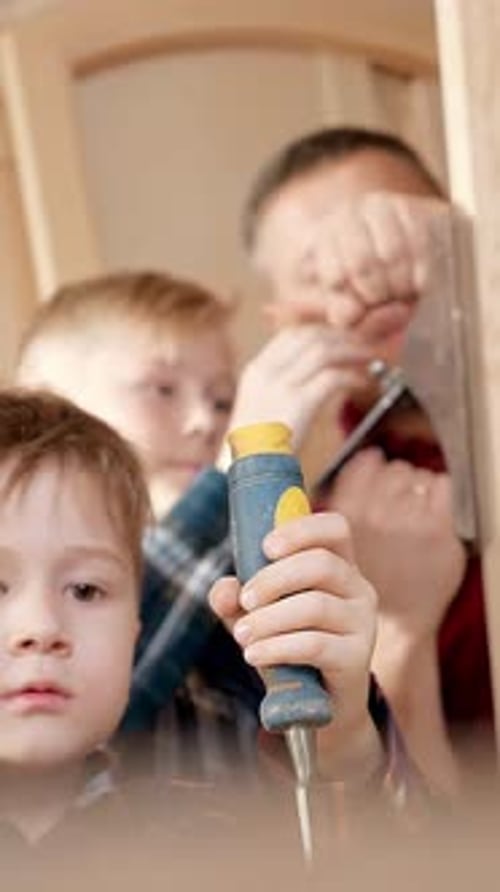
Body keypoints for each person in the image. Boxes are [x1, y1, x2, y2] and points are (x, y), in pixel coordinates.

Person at [0, 387, 405, 855]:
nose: (42, 629)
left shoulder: (218, 839)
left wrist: (349, 744)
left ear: (136, 627)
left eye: (86, 590)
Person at [15, 270, 370, 777]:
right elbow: (115, 693)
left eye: (224, 400)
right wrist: (239, 470)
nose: (206, 421)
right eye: (162, 389)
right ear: (46, 405)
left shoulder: (244, 578)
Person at [241, 125, 492, 794]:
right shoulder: (305, 530)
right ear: (286, 321)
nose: (374, 281)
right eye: (325, 269)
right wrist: (400, 632)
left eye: (391, 239)